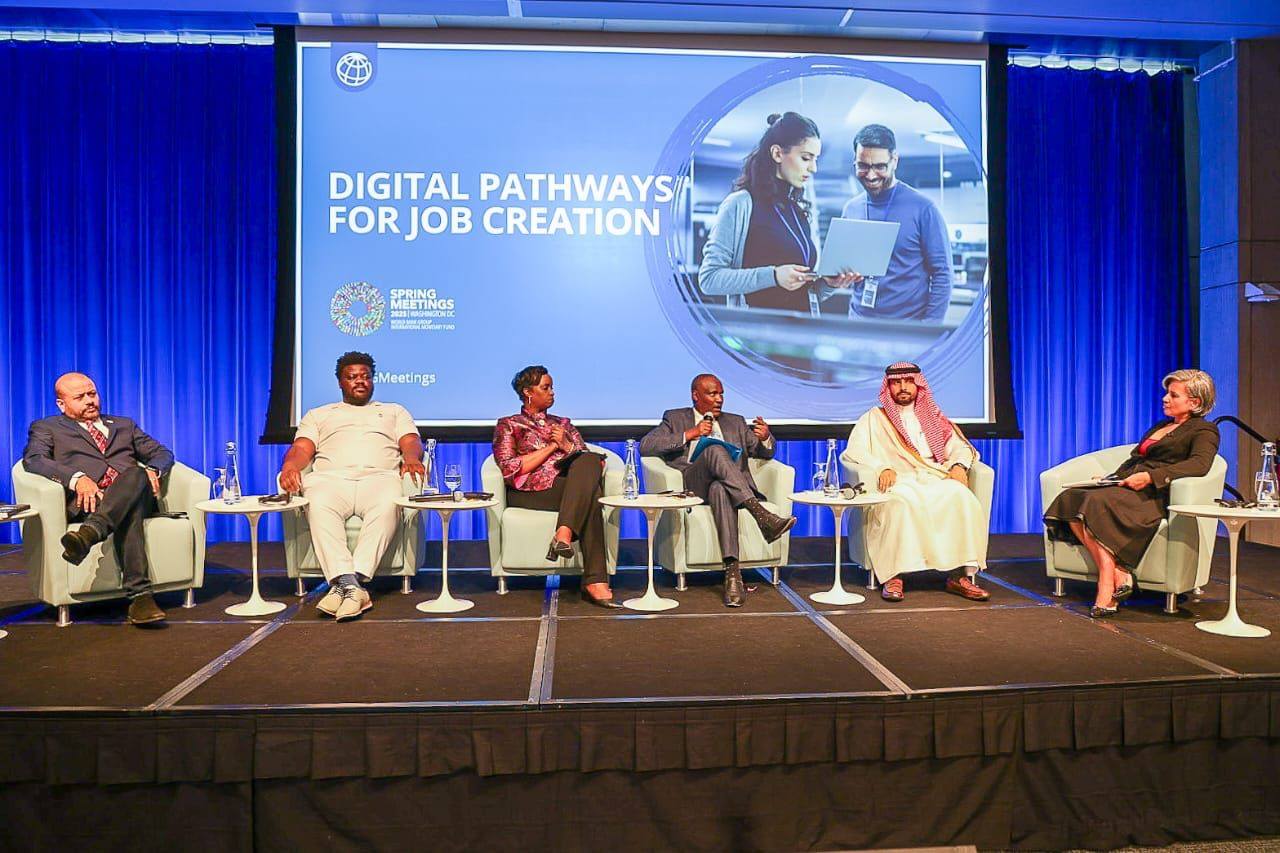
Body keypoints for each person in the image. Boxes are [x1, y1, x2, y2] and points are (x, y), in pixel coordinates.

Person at [1044, 369, 1220, 618]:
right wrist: (1111, 478)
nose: (1165, 399)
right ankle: (1117, 572)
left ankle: (1106, 586)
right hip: (1129, 487)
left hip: (1154, 494)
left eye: (1173, 395)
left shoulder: (1204, 430)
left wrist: (1151, 477)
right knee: (1071, 498)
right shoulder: (1162, 425)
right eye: (1166, 393)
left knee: (1094, 503)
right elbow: (1135, 459)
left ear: (1195, 402)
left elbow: (1199, 465)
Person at [280, 351, 424, 622]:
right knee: (317, 502)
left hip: (379, 478)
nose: (360, 382)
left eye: (366, 377)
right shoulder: (319, 414)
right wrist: (290, 466)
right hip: (331, 480)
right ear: (340, 382)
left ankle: (347, 584)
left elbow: (410, 441)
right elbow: (301, 448)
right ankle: (353, 586)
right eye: (352, 377)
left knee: (391, 501)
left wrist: (412, 458)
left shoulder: (393, 411)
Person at [22, 373, 174, 625]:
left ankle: (90, 533)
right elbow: (34, 459)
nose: (89, 401)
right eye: (79, 397)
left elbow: (161, 452)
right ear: (62, 404)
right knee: (129, 509)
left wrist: (153, 469)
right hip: (89, 503)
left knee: (135, 473)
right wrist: (76, 478)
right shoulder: (47, 427)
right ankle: (141, 599)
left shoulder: (124, 425)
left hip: (134, 490)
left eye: (92, 394)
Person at [640, 373, 797, 607]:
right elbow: (646, 445)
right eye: (712, 394)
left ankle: (733, 575)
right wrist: (691, 434)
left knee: (720, 489)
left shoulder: (736, 422)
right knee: (714, 451)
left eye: (721, 393)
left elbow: (764, 453)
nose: (719, 399)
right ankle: (761, 515)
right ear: (696, 395)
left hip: (725, 488)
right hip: (693, 483)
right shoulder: (675, 418)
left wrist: (766, 438)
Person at [840, 362, 989, 602]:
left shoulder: (935, 418)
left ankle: (958, 574)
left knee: (960, 497)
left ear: (918, 385)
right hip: (896, 480)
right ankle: (893, 575)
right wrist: (881, 467)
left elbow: (961, 448)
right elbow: (854, 452)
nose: (903, 387)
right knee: (899, 503)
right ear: (888, 388)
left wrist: (959, 466)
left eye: (908, 381)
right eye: (896, 383)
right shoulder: (874, 419)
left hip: (933, 476)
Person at [699, 112, 856, 314]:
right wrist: (773, 276)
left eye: (815, 159)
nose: (814, 168)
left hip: (802, 333)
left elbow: (806, 294)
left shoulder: (798, 212)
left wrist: (830, 284)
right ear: (777, 154)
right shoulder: (740, 204)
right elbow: (709, 279)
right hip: (758, 334)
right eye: (806, 158)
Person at [492, 366, 619, 609]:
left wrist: (566, 444)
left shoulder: (563, 424)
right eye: (545, 388)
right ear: (528, 393)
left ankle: (563, 533)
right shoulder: (509, 424)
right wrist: (552, 447)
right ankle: (595, 581)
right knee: (591, 496)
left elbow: (585, 458)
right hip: (528, 491)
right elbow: (510, 468)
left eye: (552, 387)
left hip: (565, 486)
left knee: (590, 460)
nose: (552, 393)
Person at [837, 124, 954, 323]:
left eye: (880, 166)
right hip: (858, 323)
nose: (871, 175)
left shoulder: (924, 209)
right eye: (863, 166)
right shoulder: (851, 209)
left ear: (894, 161)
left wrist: (928, 329)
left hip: (907, 329)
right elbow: (845, 268)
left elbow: (942, 274)